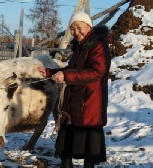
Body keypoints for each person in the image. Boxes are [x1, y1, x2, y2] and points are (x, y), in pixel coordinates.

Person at [38, 11, 111, 168]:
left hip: (90, 102)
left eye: (79, 27)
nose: (75, 32)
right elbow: (72, 69)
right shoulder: (80, 47)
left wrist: (66, 76)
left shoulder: (98, 45)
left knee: (89, 151)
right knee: (66, 147)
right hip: (74, 102)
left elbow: (96, 72)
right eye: (72, 28)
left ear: (88, 26)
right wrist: (50, 73)